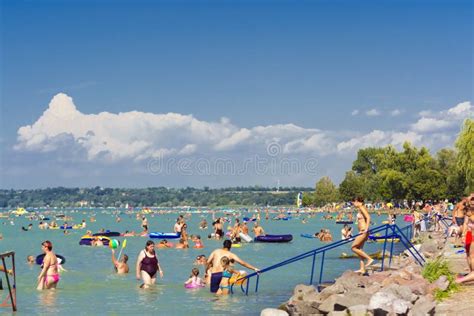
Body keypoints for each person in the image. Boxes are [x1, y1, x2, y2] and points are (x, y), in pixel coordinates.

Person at [351, 197, 374, 274]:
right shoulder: (360, 208)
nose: (353, 204)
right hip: (362, 231)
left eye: (353, 203)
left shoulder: (361, 207)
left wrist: (366, 229)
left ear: (357, 201)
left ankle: (369, 259)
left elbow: (368, 217)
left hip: (363, 231)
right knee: (359, 250)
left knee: (353, 248)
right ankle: (362, 269)